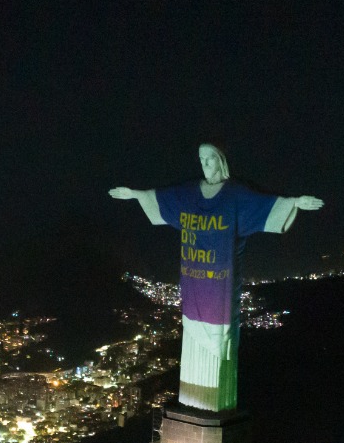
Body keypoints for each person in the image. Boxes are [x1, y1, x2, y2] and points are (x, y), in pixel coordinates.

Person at [110, 143, 322, 411]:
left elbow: (264, 204)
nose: (205, 164)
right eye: (201, 159)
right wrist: (135, 194)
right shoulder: (189, 194)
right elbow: (163, 197)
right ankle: (194, 406)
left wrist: (295, 203)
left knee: (219, 355)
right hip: (193, 284)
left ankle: (213, 406)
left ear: (220, 160)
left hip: (220, 288)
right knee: (192, 345)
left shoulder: (235, 194)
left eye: (210, 158)